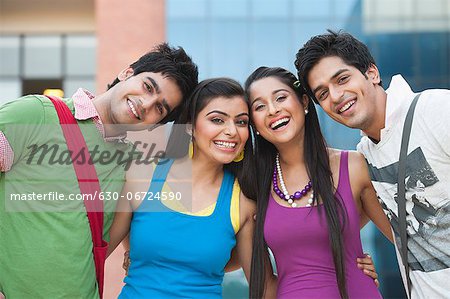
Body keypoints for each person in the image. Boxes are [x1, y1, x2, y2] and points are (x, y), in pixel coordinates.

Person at [0, 43, 198, 298]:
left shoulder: (134, 167)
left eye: (160, 108)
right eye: (148, 86)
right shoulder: (38, 114)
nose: (146, 104)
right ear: (127, 73)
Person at [295, 30, 450, 298]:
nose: (335, 95)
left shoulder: (435, 109)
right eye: (322, 93)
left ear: (372, 73)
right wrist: (354, 263)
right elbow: (340, 224)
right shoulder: (364, 156)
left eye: (342, 79)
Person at [107, 78, 267, 298]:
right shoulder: (141, 175)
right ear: (190, 126)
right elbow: (97, 252)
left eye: (241, 122)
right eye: (218, 120)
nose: (232, 131)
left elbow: (264, 288)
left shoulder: (244, 202)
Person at [245, 66, 393, 299]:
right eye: (260, 106)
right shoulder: (254, 184)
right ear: (254, 125)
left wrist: (349, 253)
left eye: (281, 97)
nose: (273, 110)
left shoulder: (354, 166)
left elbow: (405, 240)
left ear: (304, 102)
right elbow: (263, 285)